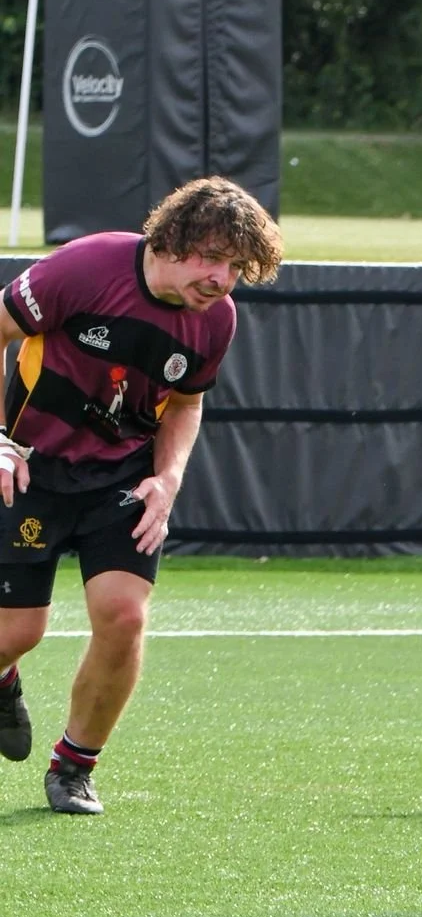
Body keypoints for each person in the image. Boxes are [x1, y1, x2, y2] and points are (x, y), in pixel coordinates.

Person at [0, 177, 281, 813]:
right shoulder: (87, 266)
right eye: (211, 257)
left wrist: (169, 477)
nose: (222, 279)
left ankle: (73, 767)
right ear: (170, 240)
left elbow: (185, 403)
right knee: (14, 634)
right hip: (28, 469)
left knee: (125, 616)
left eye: (236, 267)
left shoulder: (216, 322)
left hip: (121, 478)